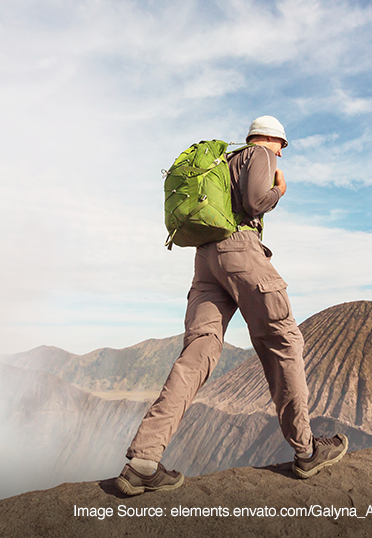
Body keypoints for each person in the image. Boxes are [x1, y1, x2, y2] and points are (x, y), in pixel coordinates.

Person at [115, 115, 348, 496]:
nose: (280, 154)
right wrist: (279, 191)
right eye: (282, 148)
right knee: (284, 342)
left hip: (206, 260)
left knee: (198, 353)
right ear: (277, 142)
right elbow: (257, 200)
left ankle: (143, 460)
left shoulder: (224, 162)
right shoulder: (260, 154)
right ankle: (307, 451)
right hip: (240, 251)